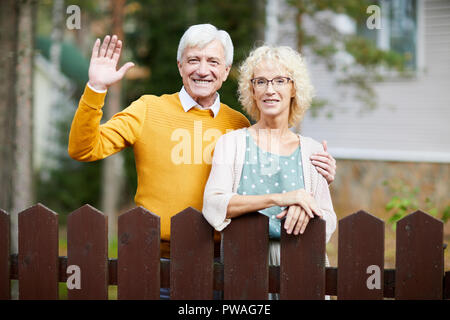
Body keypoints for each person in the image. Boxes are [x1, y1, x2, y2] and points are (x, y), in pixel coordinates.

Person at [68, 24, 336, 260]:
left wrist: (319, 174)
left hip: (222, 260)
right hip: (154, 257)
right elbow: (83, 148)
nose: (203, 70)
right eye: (193, 60)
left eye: (213, 61)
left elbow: (271, 180)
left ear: (226, 70)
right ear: (180, 66)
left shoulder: (238, 125)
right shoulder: (148, 109)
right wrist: (96, 89)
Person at [202, 45, 337, 299]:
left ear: (294, 88)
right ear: (252, 90)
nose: (270, 89)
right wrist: (282, 198)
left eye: (280, 81)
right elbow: (213, 204)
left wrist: (307, 209)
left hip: (301, 265)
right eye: (261, 81)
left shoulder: (312, 150)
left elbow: (328, 220)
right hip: (244, 267)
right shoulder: (232, 143)